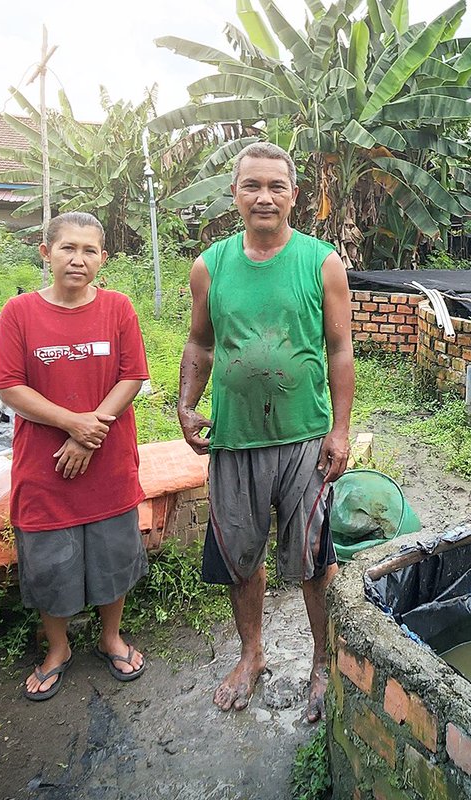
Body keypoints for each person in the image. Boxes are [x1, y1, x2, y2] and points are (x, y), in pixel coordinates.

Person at [177, 141, 355, 723]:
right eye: (252, 185)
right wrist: (185, 404)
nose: (264, 196)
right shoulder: (211, 265)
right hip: (235, 441)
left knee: (311, 559)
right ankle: (252, 655)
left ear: (293, 196)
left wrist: (341, 430)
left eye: (276, 186)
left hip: (305, 438)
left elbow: (339, 348)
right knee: (240, 558)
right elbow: (200, 343)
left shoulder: (321, 261)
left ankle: (322, 663)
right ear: (235, 194)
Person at [0, 211, 150, 701]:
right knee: (48, 560)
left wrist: (86, 433)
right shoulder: (18, 313)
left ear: (103, 259)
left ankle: (110, 637)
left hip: (107, 460)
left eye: (88, 251)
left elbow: (133, 377)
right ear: (46, 253)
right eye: (67, 248)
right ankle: (57, 647)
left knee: (112, 554)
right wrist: (70, 423)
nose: (77, 259)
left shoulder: (118, 308)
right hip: (45, 465)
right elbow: (10, 387)